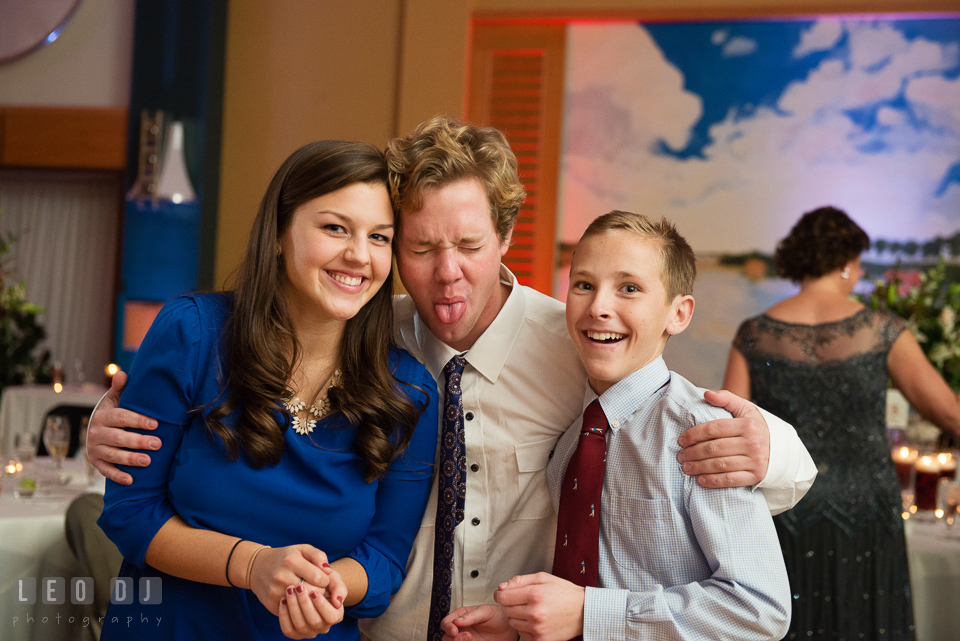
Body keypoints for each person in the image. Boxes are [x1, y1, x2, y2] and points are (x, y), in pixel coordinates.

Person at [87, 117, 816, 641]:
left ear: (504, 238)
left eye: (469, 244)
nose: (447, 272)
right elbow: (145, 485)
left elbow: (665, 406)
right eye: (418, 246)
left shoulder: (575, 339)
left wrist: (773, 446)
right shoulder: (376, 335)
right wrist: (104, 422)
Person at [95, 140, 440, 640]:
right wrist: (251, 565)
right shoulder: (193, 334)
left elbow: (384, 559)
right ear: (279, 233)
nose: (358, 255)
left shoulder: (409, 392)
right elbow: (130, 512)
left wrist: (321, 589)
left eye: (380, 237)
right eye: (335, 228)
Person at [440, 211, 791, 641]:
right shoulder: (570, 443)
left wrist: (591, 613)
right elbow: (596, 574)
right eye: (584, 285)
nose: (599, 307)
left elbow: (760, 609)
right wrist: (521, 624)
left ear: (678, 314)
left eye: (629, 289)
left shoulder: (703, 436)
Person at [722, 206, 960, 641]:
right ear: (848, 264)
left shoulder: (753, 333)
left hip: (783, 506)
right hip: (866, 507)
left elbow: (731, 426)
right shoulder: (882, 329)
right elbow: (948, 412)